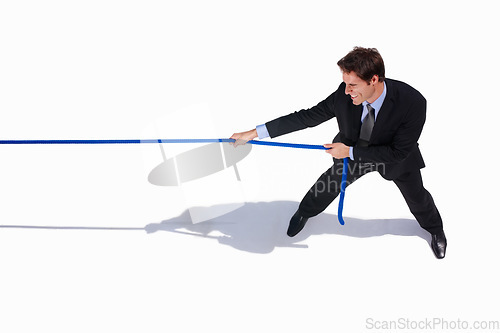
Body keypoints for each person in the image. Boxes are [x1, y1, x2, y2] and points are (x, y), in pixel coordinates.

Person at [231, 47, 447, 259]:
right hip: (351, 153)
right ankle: (305, 212)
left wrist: (351, 152)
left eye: (352, 85)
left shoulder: (413, 102)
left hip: (393, 158)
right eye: (345, 83)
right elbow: (307, 117)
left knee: (418, 197)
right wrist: (253, 133)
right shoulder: (343, 95)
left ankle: (435, 228)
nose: (346, 91)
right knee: (327, 185)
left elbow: (398, 152)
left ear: (373, 80)